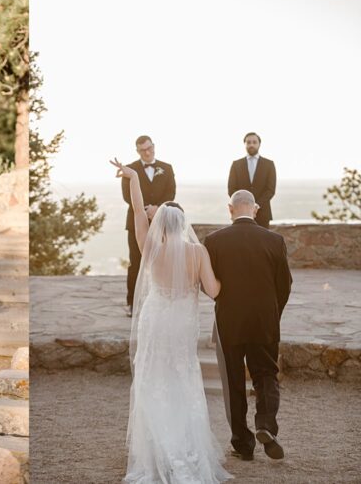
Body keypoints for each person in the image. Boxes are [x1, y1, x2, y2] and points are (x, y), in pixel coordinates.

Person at [111, 158, 231, 483]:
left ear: (161, 224)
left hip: (156, 318)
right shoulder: (198, 252)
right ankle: (186, 444)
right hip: (181, 322)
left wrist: (133, 178)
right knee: (183, 375)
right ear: (183, 224)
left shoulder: (151, 248)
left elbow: (137, 212)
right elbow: (214, 291)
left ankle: (154, 445)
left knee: (153, 375)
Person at [204, 189, 292, 461]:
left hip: (229, 321)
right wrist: (272, 314)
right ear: (255, 209)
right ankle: (265, 425)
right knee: (266, 374)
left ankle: (243, 444)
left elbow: (209, 285)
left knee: (233, 381)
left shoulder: (213, 241)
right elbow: (285, 285)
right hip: (264, 320)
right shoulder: (275, 240)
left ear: (230, 209)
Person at [121, 135, 176, 315]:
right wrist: (145, 210)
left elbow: (171, 193)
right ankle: (132, 302)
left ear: (154, 146)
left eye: (149, 148)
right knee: (136, 262)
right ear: (137, 151)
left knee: (164, 261)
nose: (147, 153)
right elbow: (127, 196)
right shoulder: (129, 170)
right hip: (136, 223)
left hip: (162, 221)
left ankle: (163, 299)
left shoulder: (167, 168)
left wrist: (157, 209)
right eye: (142, 150)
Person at [227, 132, 277, 228]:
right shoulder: (236, 164)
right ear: (245, 144)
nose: (251, 145)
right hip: (241, 214)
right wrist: (244, 205)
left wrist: (255, 205)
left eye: (254, 142)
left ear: (259, 144)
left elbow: (270, 190)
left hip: (262, 213)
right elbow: (231, 189)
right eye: (248, 142)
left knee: (262, 238)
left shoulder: (269, 164)